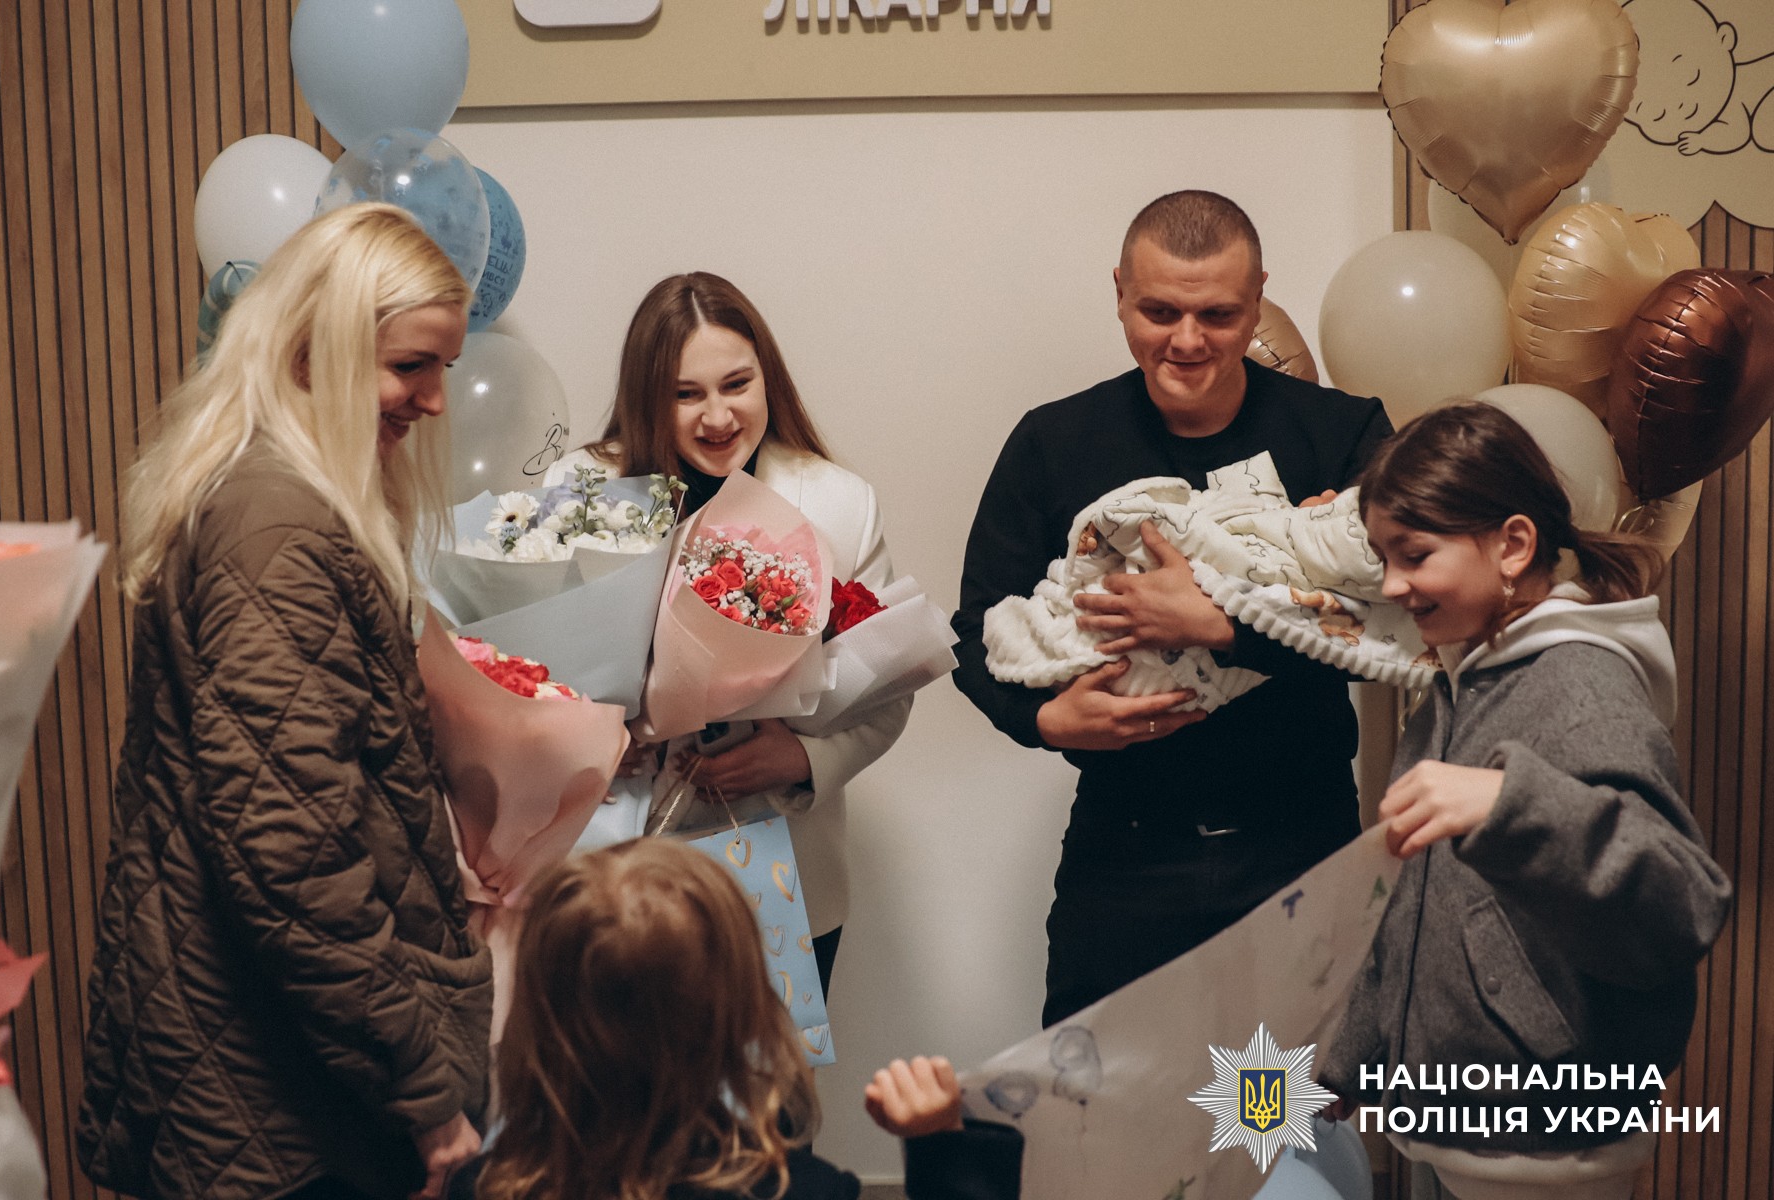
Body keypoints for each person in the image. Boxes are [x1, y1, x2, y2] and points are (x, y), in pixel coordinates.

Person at [77, 204, 493, 1200]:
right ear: (316, 351)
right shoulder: (275, 532)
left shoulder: (281, 501)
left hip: (276, 1066)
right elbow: (292, 856)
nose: (436, 401)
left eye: (443, 367)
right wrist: (422, 1088)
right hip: (275, 1092)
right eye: (411, 366)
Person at [952, 190, 1393, 1026]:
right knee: (1101, 1101)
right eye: (1158, 311)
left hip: (1298, 849)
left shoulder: (1344, 436)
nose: (1187, 341)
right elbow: (977, 635)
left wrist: (1221, 627)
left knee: (1274, 1104)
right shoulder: (1053, 443)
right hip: (1123, 856)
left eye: (1218, 315)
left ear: (1258, 300)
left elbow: (1401, 626)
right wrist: (1043, 720)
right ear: (1119, 292)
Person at [1318, 402, 1732, 1200]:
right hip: (1453, 1135)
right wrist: (1348, 1063)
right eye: (1383, 558)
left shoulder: (1580, 684)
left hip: (1548, 1156)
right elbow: (1414, 912)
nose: (1393, 585)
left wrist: (1512, 806)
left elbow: (1680, 906)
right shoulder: (1458, 686)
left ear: (1512, 545)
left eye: (1415, 555)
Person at [547, 271, 909, 995]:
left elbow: (889, 685)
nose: (717, 417)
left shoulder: (839, 502)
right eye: (686, 394)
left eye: (736, 384)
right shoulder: (577, 492)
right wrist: (584, 737)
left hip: (780, 864)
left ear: (767, 377)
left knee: (770, 1072)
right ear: (646, 396)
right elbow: (519, 671)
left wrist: (802, 760)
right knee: (616, 1069)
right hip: (611, 865)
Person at [462, 838, 1022, 1200]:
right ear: (747, 1015)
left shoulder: (481, 1186)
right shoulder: (801, 1191)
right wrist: (943, 1151)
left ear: (534, 1014)